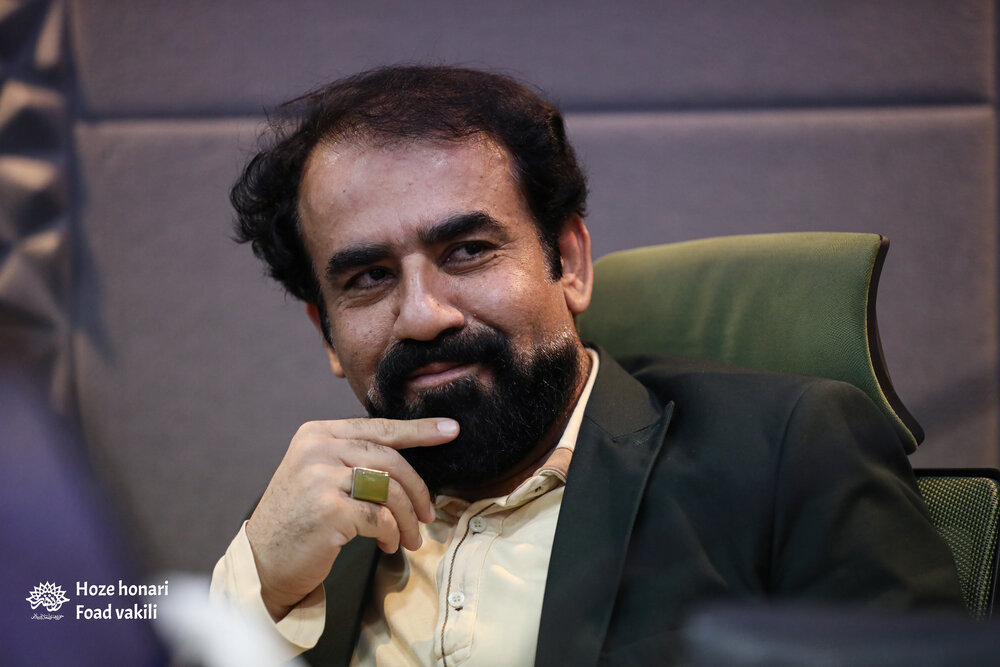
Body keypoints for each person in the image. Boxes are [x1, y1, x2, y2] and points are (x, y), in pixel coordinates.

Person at [211, 65, 962, 666]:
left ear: (567, 262)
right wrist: (258, 586)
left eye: (467, 251)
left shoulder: (784, 453)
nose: (423, 315)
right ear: (327, 332)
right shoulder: (317, 519)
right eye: (369, 277)